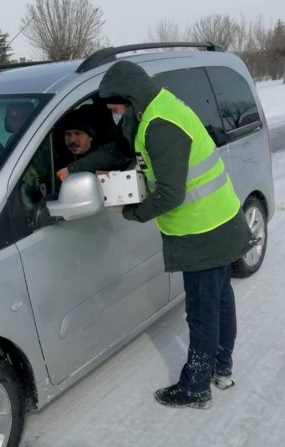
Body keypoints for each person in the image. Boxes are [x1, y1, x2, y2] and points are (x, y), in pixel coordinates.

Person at [82, 60, 254, 409]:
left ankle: (196, 387)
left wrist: (133, 212)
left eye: (113, 102)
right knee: (220, 300)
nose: (112, 110)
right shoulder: (156, 107)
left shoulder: (159, 124)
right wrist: (78, 167)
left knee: (203, 311)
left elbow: (171, 193)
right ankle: (222, 368)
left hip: (202, 229)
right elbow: (128, 150)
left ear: (128, 95)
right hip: (218, 219)